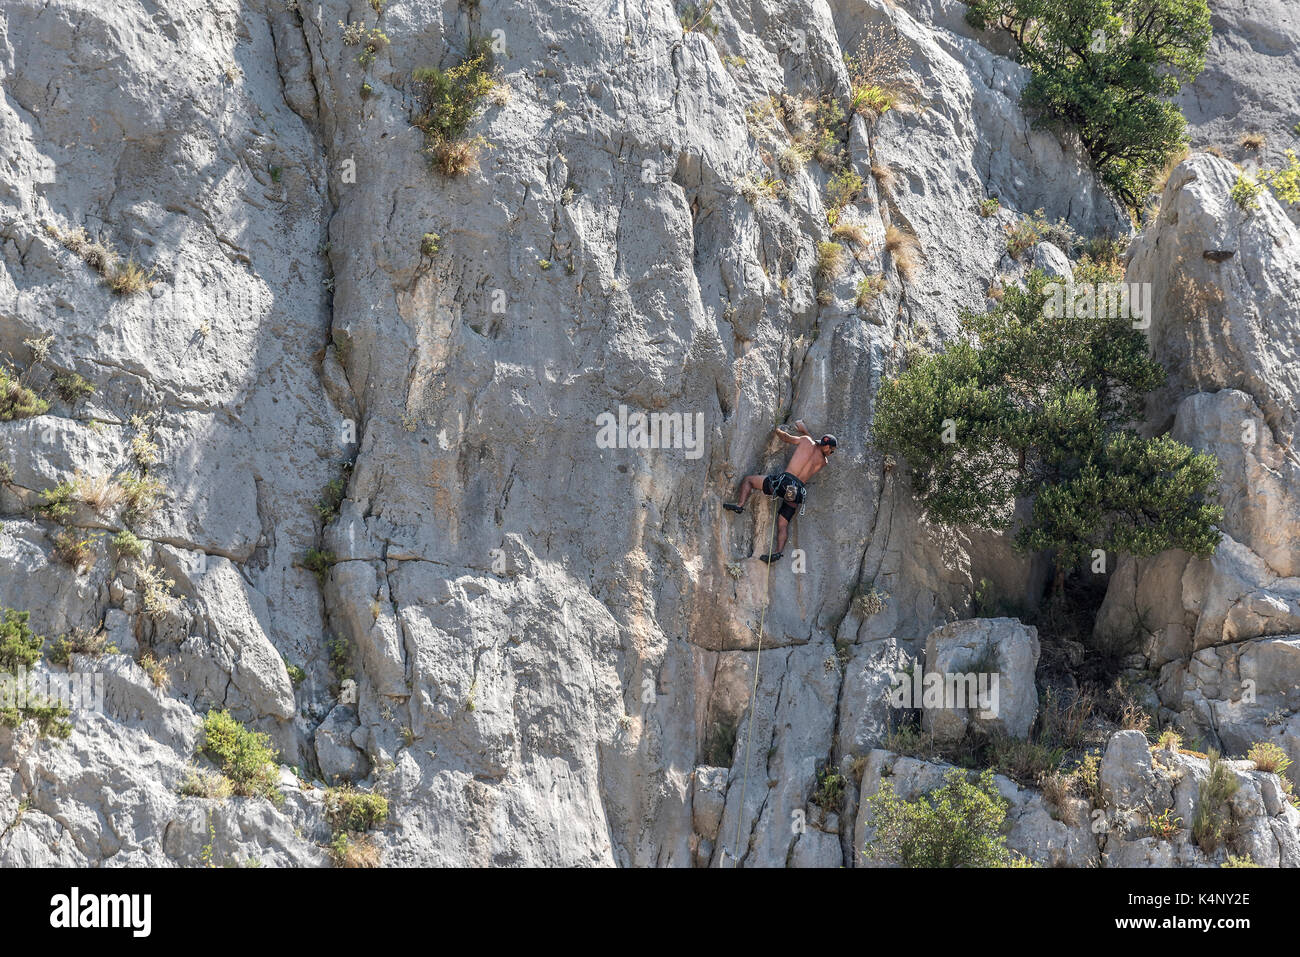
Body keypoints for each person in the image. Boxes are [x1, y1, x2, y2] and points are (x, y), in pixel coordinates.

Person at [723, 419, 836, 563]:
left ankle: (739, 505)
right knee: (783, 524)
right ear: (827, 447)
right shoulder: (823, 461)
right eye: (832, 450)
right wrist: (806, 432)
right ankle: (777, 552)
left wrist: (777, 430)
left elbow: (787, 438)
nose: (831, 453)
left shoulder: (807, 441)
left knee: (749, 480)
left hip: (784, 483)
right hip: (797, 492)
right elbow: (817, 449)